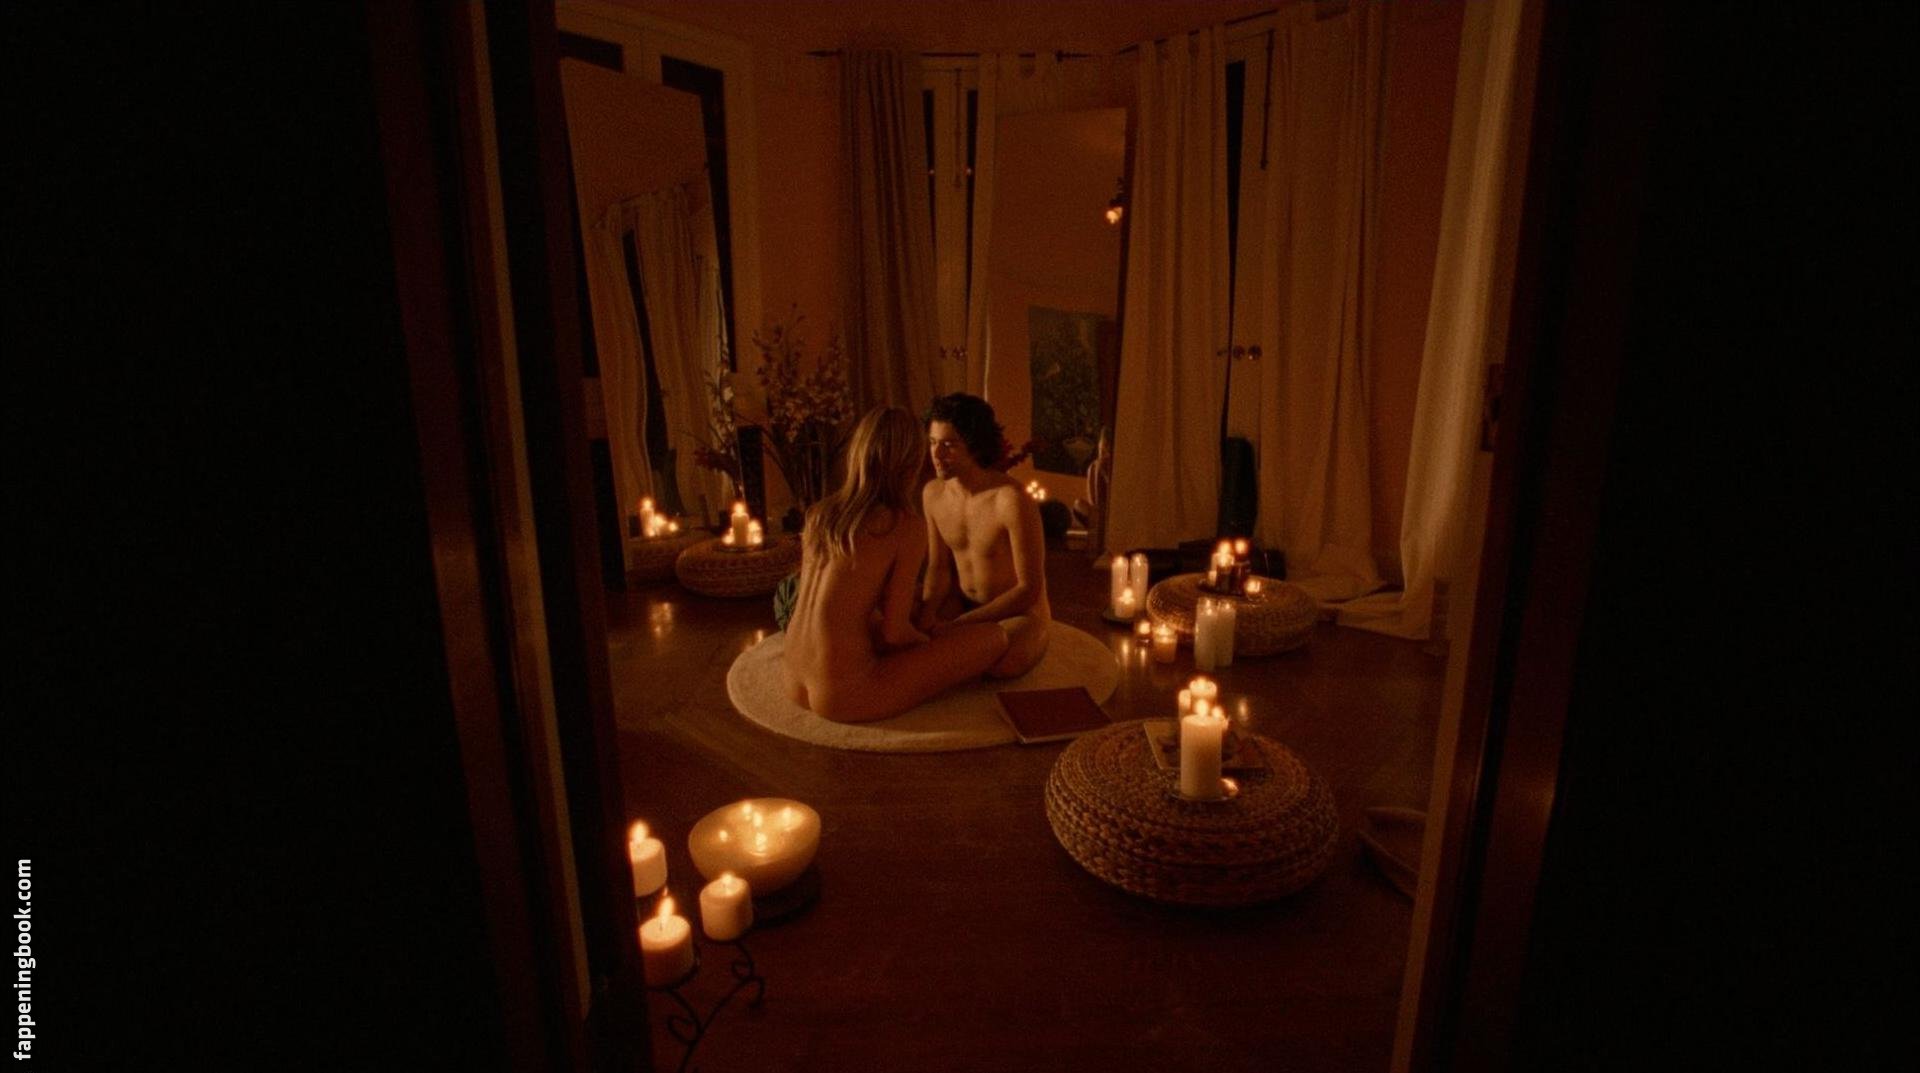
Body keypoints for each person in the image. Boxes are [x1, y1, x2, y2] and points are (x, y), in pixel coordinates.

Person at [783, 406, 1010, 723]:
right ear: (910, 462)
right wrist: (929, 641)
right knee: (994, 638)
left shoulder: (820, 514)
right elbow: (894, 634)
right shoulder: (903, 525)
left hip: (792, 675)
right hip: (844, 691)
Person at [916, 393, 1052, 677]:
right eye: (932, 442)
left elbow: (1029, 589)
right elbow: (938, 569)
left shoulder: (1010, 500)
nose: (936, 454)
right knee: (911, 634)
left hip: (1018, 612)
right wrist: (926, 618)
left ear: (975, 446)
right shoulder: (932, 494)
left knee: (1005, 662)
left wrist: (958, 626)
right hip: (964, 603)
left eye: (949, 445)